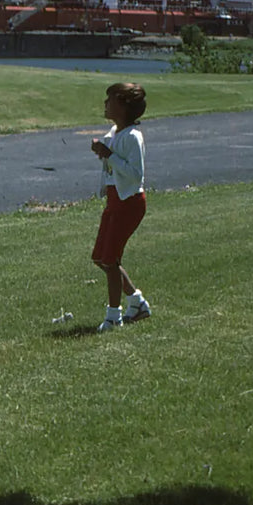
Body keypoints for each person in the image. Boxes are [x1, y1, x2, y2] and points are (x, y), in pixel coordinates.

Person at [91, 82, 152, 331]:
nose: (105, 104)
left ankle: (113, 316)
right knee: (100, 258)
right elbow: (112, 169)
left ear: (124, 106)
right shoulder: (114, 133)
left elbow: (136, 175)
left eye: (111, 99)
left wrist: (109, 155)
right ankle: (136, 302)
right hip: (115, 201)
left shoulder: (132, 137)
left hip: (129, 203)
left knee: (111, 259)